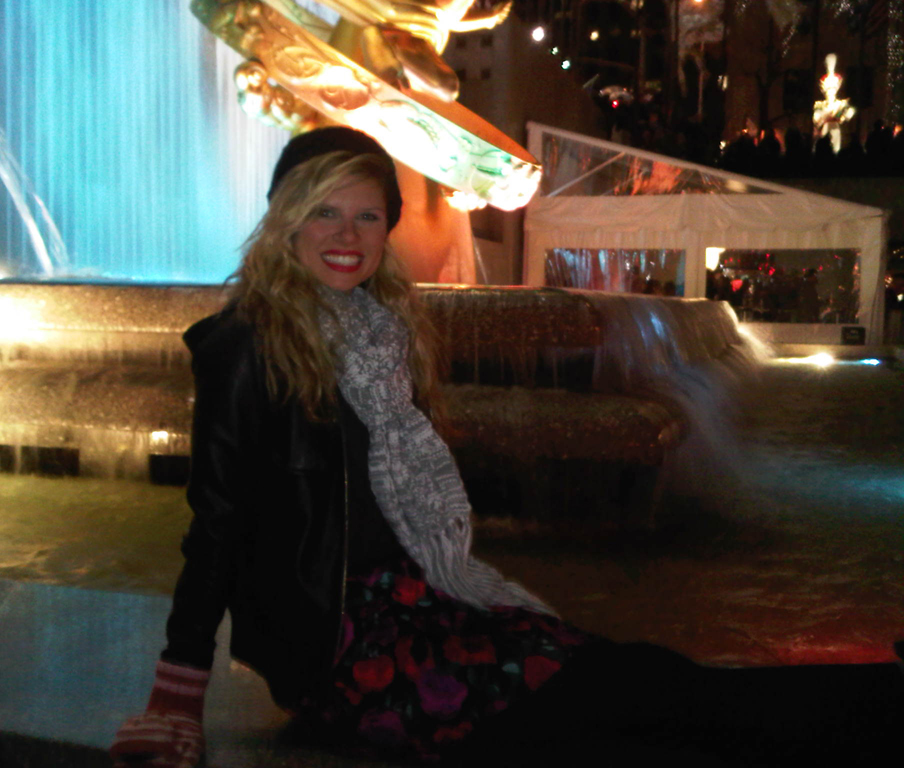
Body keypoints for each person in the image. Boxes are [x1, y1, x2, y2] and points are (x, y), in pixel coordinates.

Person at [111, 127, 904, 768]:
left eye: (368, 216)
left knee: (641, 677)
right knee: (630, 716)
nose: (347, 235)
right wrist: (176, 699)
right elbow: (215, 528)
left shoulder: (381, 332)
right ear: (285, 219)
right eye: (324, 212)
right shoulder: (246, 346)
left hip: (422, 602)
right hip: (342, 650)